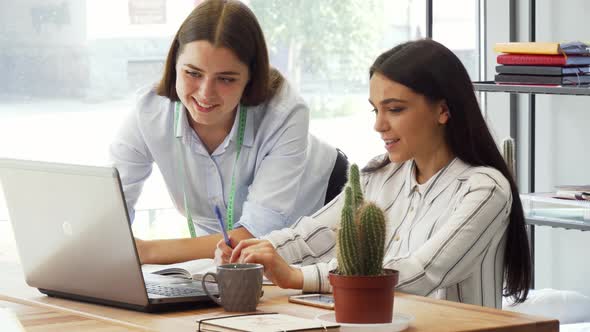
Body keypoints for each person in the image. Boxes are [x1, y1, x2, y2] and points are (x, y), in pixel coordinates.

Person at [216, 39, 531, 308]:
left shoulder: (485, 189)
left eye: (394, 109)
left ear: (443, 110)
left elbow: (421, 273)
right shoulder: (379, 175)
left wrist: (297, 276)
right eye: (375, 109)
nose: (379, 125)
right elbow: (310, 236)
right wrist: (255, 251)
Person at [109, 0, 348, 264]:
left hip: (318, 213)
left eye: (226, 79)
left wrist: (144, 251)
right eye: (193, 73)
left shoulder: (285, 112)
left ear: (250, 77)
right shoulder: (149, 111)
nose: (205, 93)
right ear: (175, 63)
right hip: (225, 244)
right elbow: (112, 207)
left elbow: (258, 231)